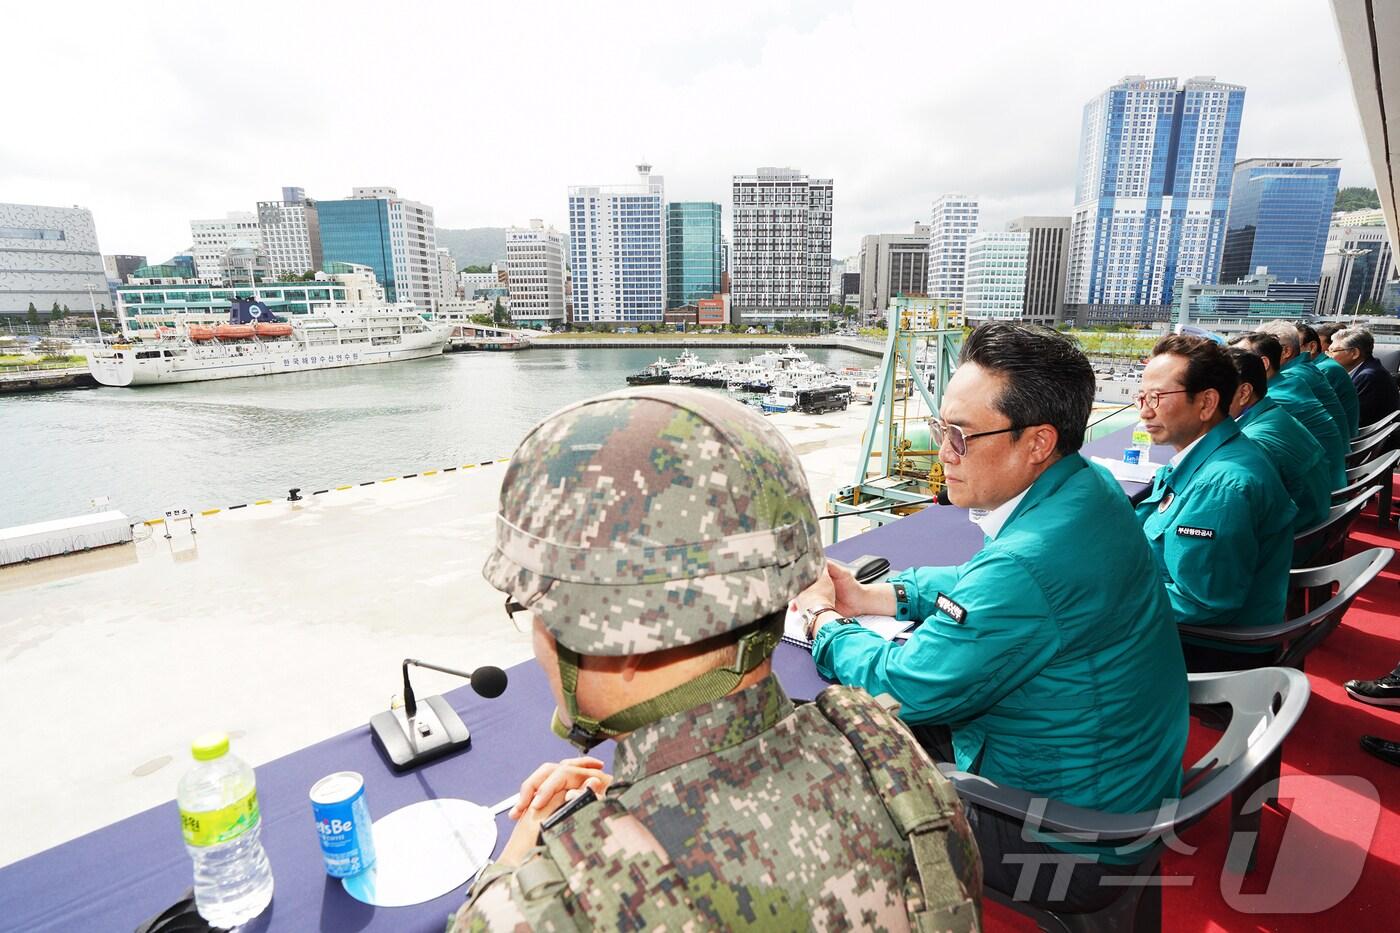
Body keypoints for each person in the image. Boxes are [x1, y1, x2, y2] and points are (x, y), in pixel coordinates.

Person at [452, 386, 982, 932]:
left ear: (623, 639)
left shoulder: (552, 909)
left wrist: (523, 855)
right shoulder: (886, 750)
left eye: (533, 607)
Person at [792, 321, 1188, 914]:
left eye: (961, 436)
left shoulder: (1028, 562)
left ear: (1037, 442)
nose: (944, 453)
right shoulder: (1089, 489)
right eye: (940, 430)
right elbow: (985, 587)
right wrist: (881, 598)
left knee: (827, 768)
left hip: (1068, 836)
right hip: (1120, 784)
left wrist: (823, 622)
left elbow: (905, 687)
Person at [1135, 335, 1296, 671]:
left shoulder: (1220, 486)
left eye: (1157, 397)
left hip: (1206, 643)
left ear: (1207, 403)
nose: (1144, 410)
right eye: (1141, 397)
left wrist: (1110, 593)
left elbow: (1202, 603)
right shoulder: (1216, 456)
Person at [1226, 347, 1330, 532]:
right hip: (1314, 520)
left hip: (1296, 538)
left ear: (1244, 393)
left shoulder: (1252, 440)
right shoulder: (1271, 414)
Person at [1232, 331, 1347, 489]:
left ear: (1263, 363)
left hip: (1327, 494)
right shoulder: (1289, 383)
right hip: (1330, 482)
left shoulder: (1278, 399)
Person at [1254, 320, 1348, 432]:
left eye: (1255, 352)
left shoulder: (1294, 376)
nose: (1249, 358)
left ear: (1286, 351)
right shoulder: (1303, 370)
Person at [1329, 326, 1400, 429]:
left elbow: (1353, 419)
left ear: (1354, 353)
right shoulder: (1367, 370)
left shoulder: (1368, 377)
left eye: (1333, 351)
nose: (1329, 356)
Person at [1299, 323, 1360, 439]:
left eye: (1293, 348)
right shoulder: (1324, 366)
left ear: (1312, 347)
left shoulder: (1323, 370)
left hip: (1341, 442)